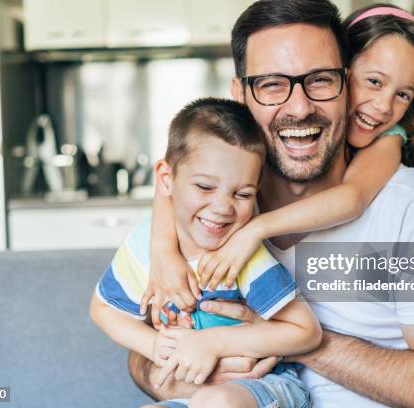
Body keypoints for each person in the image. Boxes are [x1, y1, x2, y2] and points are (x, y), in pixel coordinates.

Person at [130, 1, 414, 406]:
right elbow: (140, 356)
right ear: (239, 94)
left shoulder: (412, 210)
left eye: (319, 80)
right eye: (271, 84)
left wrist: (284, 337)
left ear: (344, 83)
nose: (299, 108)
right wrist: (178, 373)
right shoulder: (216, 204)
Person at [90, 98, 322, 408]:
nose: (223, 208)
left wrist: (212, 342)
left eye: (242, 194)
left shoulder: (241, 254)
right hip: (193, 394)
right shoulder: (144, 245)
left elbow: (305, 331)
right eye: (204, 187)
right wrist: (155, 346)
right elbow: (102, 309)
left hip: (267, 385)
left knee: (216, 402)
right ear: (165, 180)